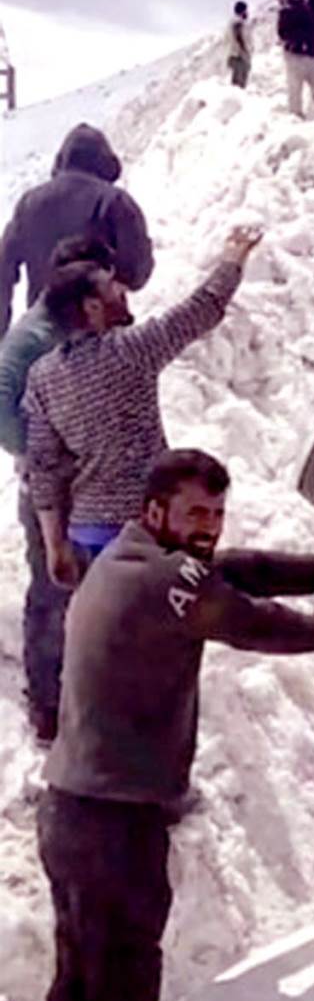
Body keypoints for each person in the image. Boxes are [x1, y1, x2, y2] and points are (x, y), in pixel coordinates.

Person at [37, 447, 314, 1001]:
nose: (209, 526)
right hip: (113, 829)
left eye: (216, 513)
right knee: (120, 992)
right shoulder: (167, 583)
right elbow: (248, 620)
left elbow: (239, 570)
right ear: (156, 512)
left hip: (73, 810)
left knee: (78, 979)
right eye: (195, 513)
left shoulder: (129, 559)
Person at [23, 225, 262, 590]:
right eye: (111, 287)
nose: (122, 290)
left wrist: (55, 546)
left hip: (87, 534)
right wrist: (233, 259)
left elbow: (43, 466)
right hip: (145, 529)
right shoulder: (129, 351)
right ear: (92, 307)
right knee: (157, 620)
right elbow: (199, 311)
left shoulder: (42, 376)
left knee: (103, 620)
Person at [0, 236, 117, 743]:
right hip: (52, 492)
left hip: (87, 488)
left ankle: (85, 691)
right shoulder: (34, 339)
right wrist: (46, 452)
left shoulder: (71, 329)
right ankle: (46, 702)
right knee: (52, 590)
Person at [0, 124, 154, 333]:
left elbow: (3, 269)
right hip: (99, 334)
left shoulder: (28, 203)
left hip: (42, 332)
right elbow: (137, 272)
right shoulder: (116, 202)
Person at [226, 1, 252, 88]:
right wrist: (245, 52)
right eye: (246, 10)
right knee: (239, 83)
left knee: (237, 80)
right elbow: (240, 38)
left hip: (234, 54)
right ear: (242, 11)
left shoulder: (233, 22)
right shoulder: (238, 23)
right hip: (239, 55)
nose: (247, 13)